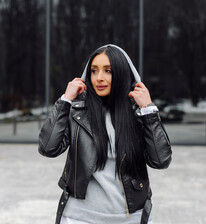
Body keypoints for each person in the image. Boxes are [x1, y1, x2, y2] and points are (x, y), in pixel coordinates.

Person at [38, 44, 172, 224]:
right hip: (79, 217)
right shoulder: (78, 112)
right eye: (94, 71)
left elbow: (160, 160)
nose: (99, 78)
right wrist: (65, 100)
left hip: (130, 217)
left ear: (122, 74)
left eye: (108, 70)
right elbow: (48, 148)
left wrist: (148, 111)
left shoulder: (138, 114)